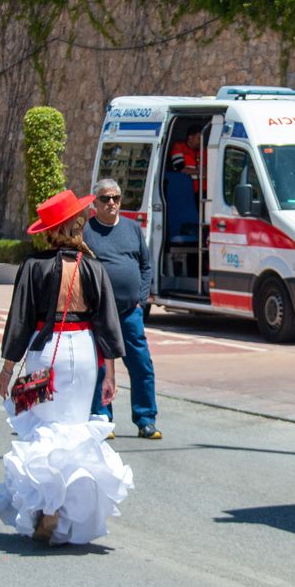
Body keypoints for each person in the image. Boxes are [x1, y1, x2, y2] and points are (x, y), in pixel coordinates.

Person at [0, 189, 132, 546]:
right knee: (74, 429)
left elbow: (20, 322)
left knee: (46, 429)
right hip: (84, 352)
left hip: (46, 349)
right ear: (77, 225)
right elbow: (108, 324)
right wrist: (111, 373)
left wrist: (8, 369)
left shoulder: (33, 267)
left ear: (51, 231)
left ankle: (48, 509)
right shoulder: (93, 267)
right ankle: (66, 515)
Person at [85, 178, 160, 440]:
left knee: (141, 365)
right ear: (95, 203)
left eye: (116, 197)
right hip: (99, 313)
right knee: (100, 366)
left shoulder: (132, 228)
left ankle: (145, 419)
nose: (112, 203)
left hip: (130, 311)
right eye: (105, 198)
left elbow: (145, 265)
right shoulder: (87, 232)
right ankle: (103, 417)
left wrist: (140, 299)